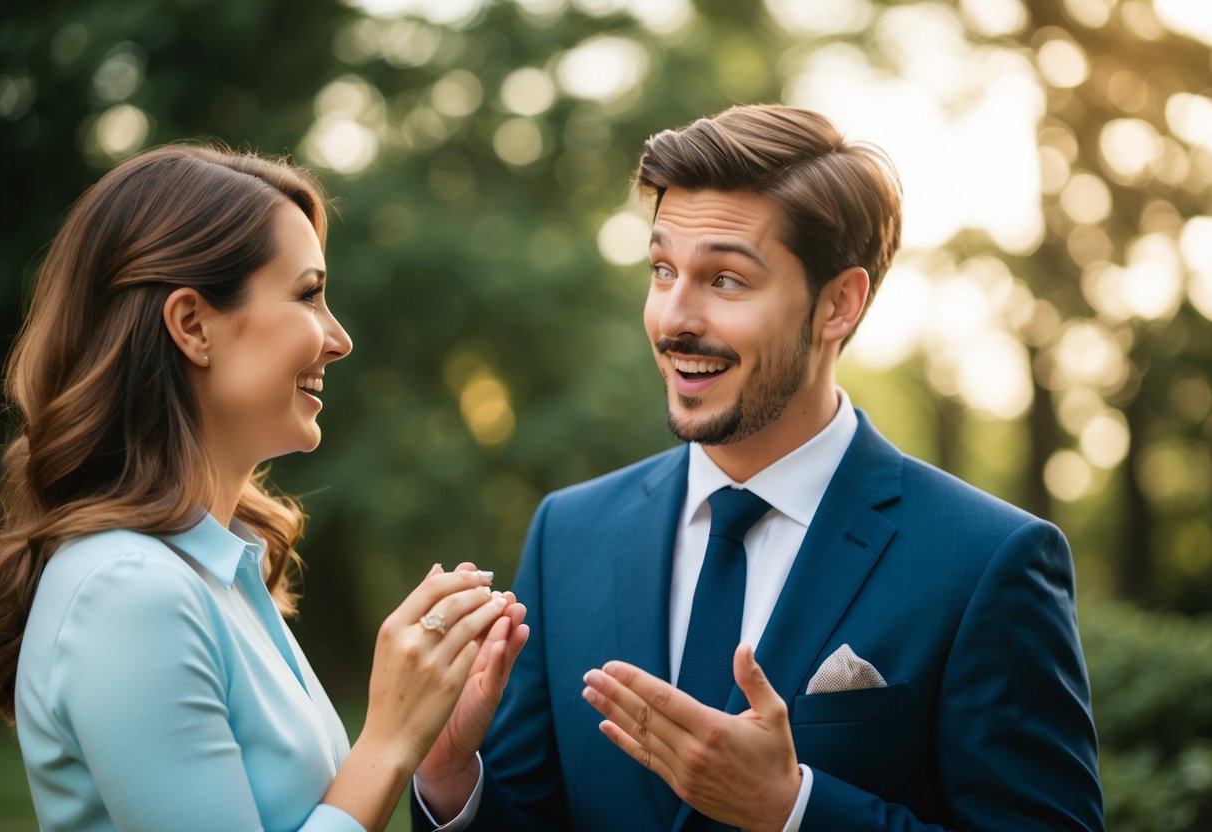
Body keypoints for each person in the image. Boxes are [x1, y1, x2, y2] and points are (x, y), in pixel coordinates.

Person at [411, 105, 1104, 830]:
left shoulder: (984, 560)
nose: (672, 317)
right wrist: (450, 775)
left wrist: (793, 809)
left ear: (838, 303)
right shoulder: (567, 535)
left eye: (726, 281)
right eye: (662, 270)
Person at [0, 144, 528, 832]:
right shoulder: (128, 590)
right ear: (193, 325)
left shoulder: (221, 573)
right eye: (308, 295)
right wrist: (388, 741)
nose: (337, 338)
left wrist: (432, 751)